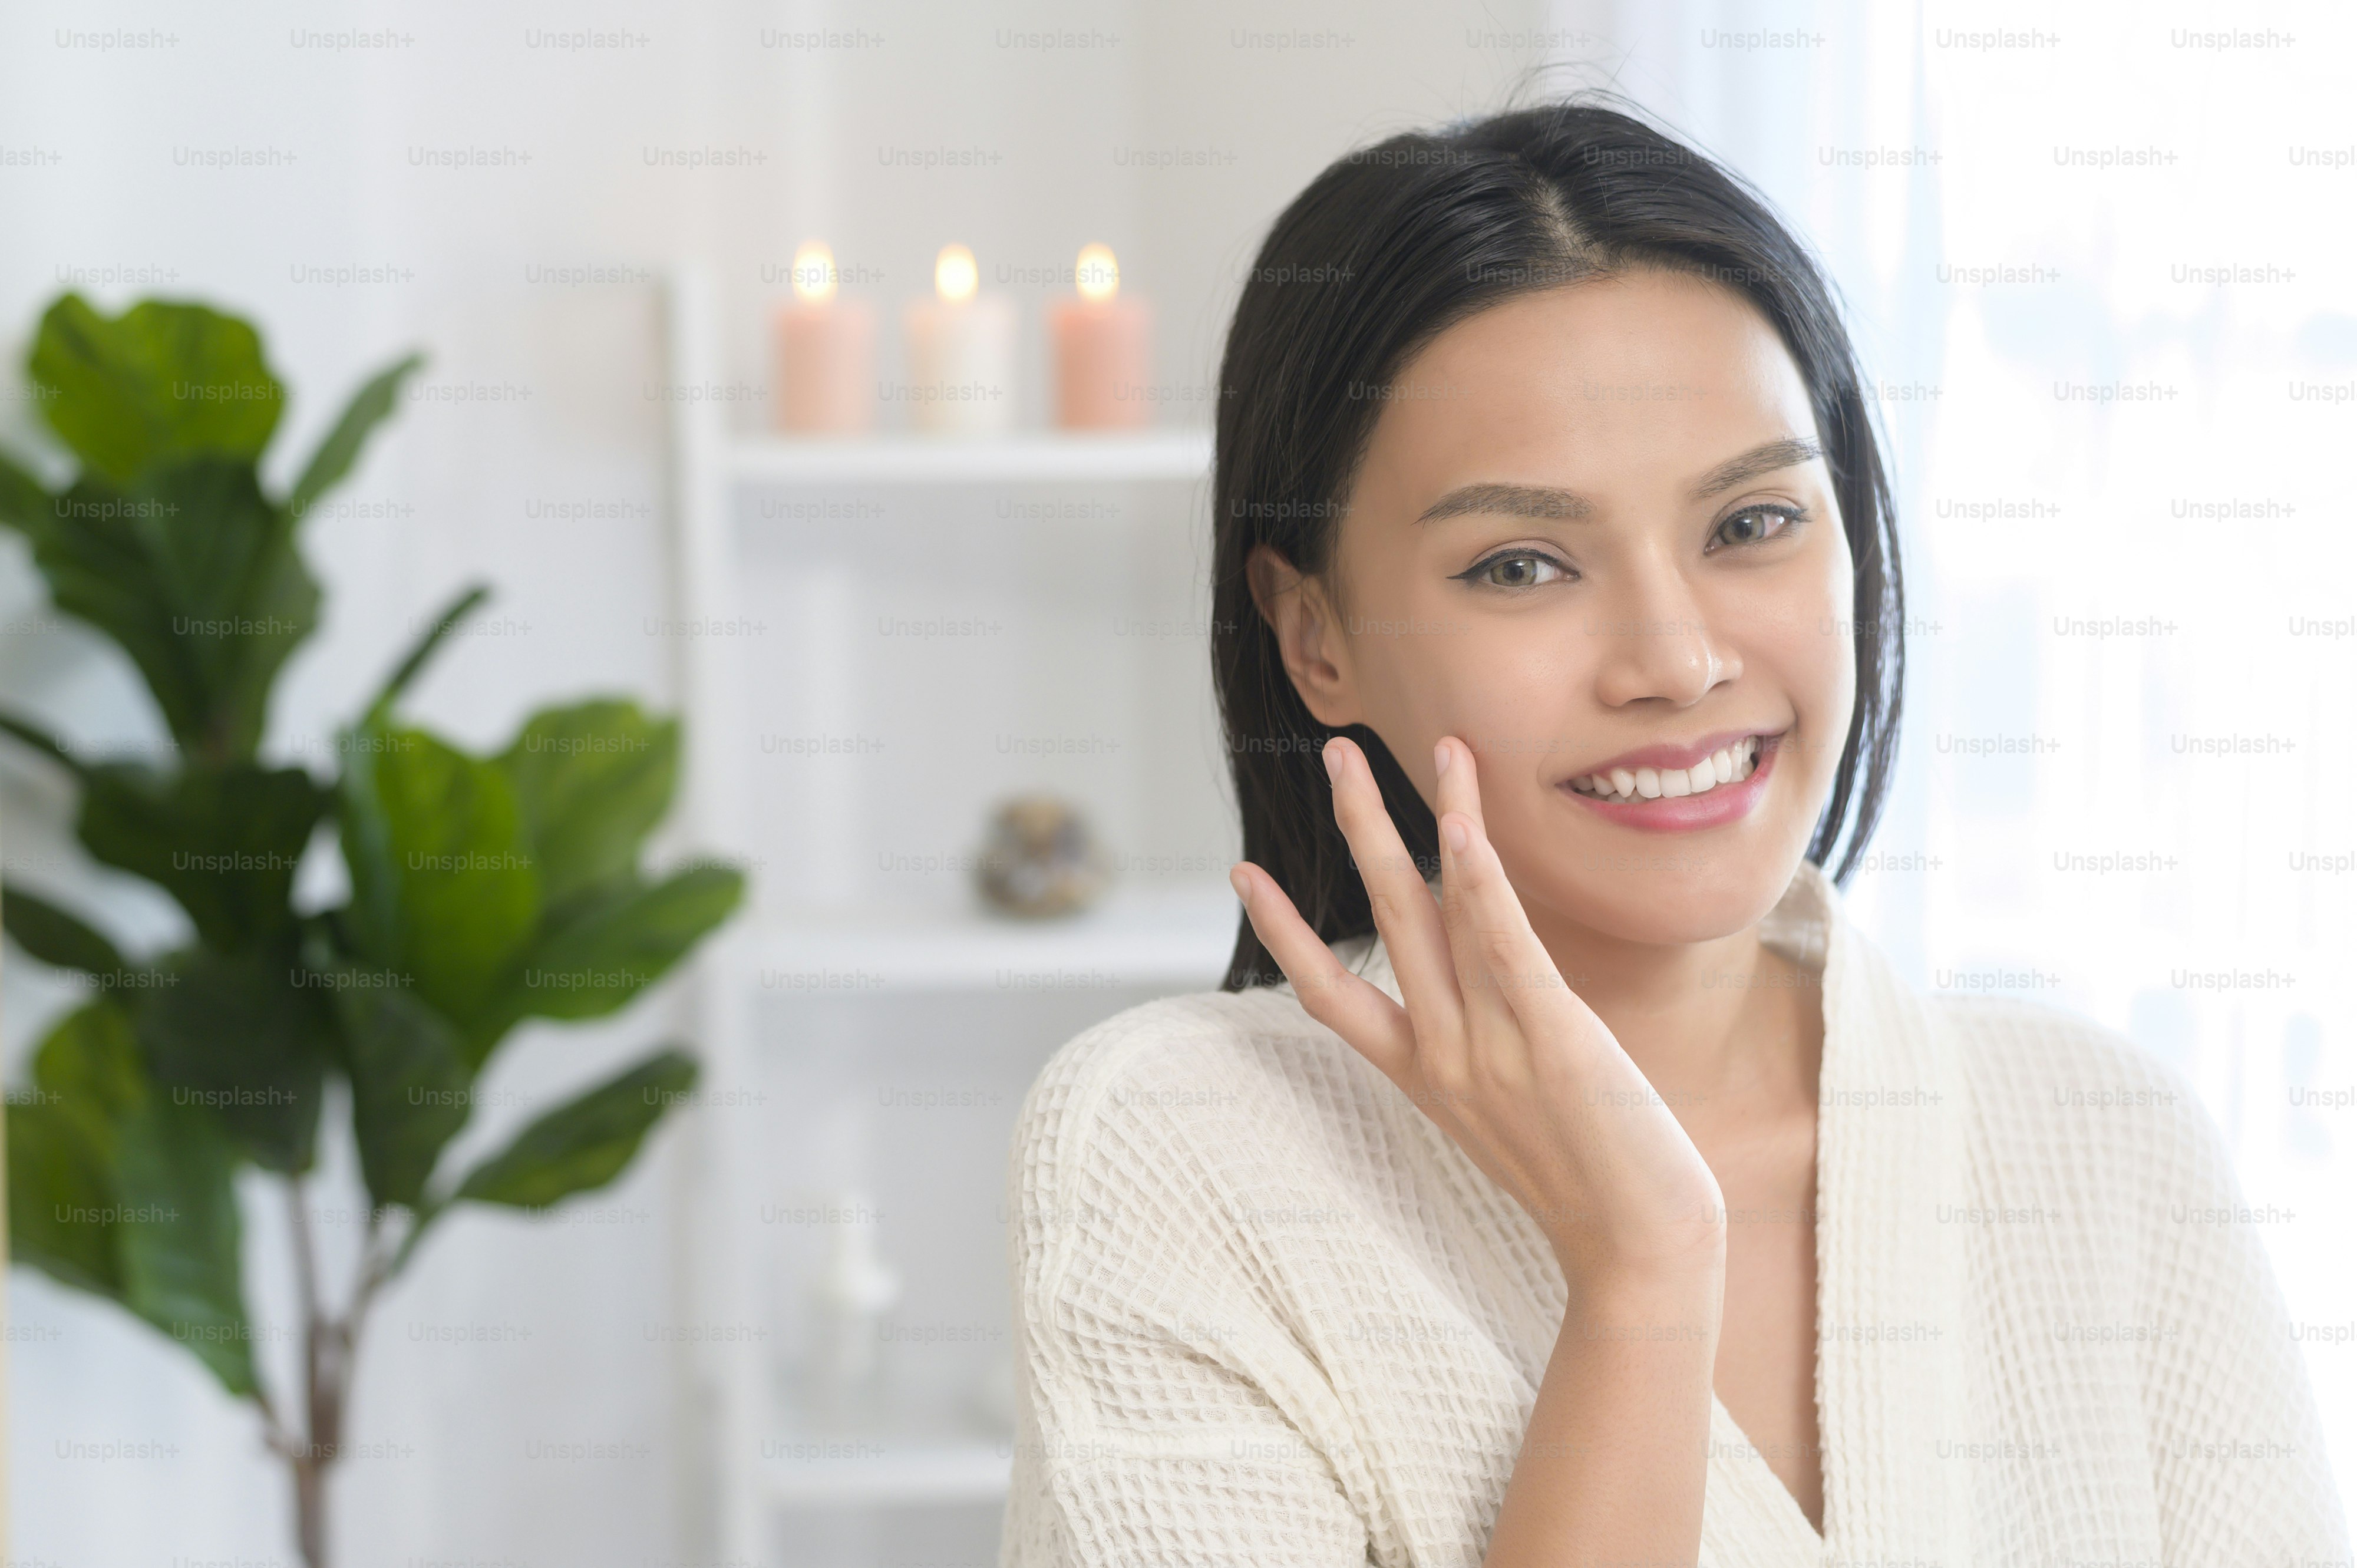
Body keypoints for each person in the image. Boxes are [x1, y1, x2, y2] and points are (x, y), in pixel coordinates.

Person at [999, 95, 2349, 1567]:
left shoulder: (2104, 1141)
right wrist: (1638, 1278)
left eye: (1751, 523)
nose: (1675, 658)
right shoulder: (1180, 1144)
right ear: (1315, 636)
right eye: (1520, 563)